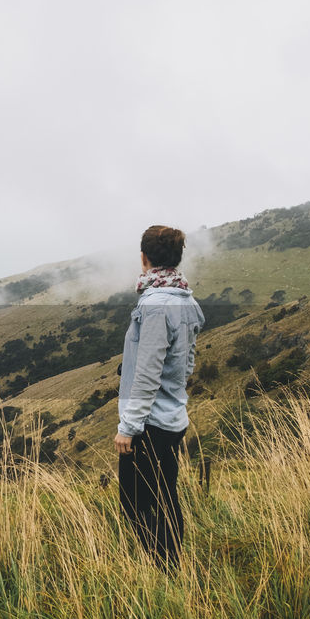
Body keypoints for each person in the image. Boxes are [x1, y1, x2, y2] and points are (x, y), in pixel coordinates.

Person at [114, 225, 205, 572]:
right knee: (166, 496)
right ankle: (172, 566)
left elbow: (147, 373)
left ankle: (162, 569)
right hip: (173, 419)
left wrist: (129, 427)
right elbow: (188, 363)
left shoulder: (154, 304)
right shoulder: (186, 299)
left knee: (134, 502)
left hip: (149, 424)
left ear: (144, 258)